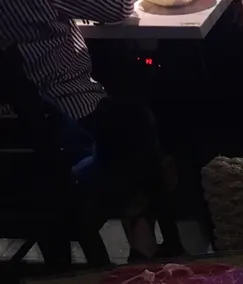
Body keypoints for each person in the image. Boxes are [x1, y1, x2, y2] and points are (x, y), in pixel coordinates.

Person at [0, 0, 183, 260]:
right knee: (136, 124)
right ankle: (146, 246)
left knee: (129, 124)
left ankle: (140, 238)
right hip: (63, 128)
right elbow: (117, 9)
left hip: (12, 151)